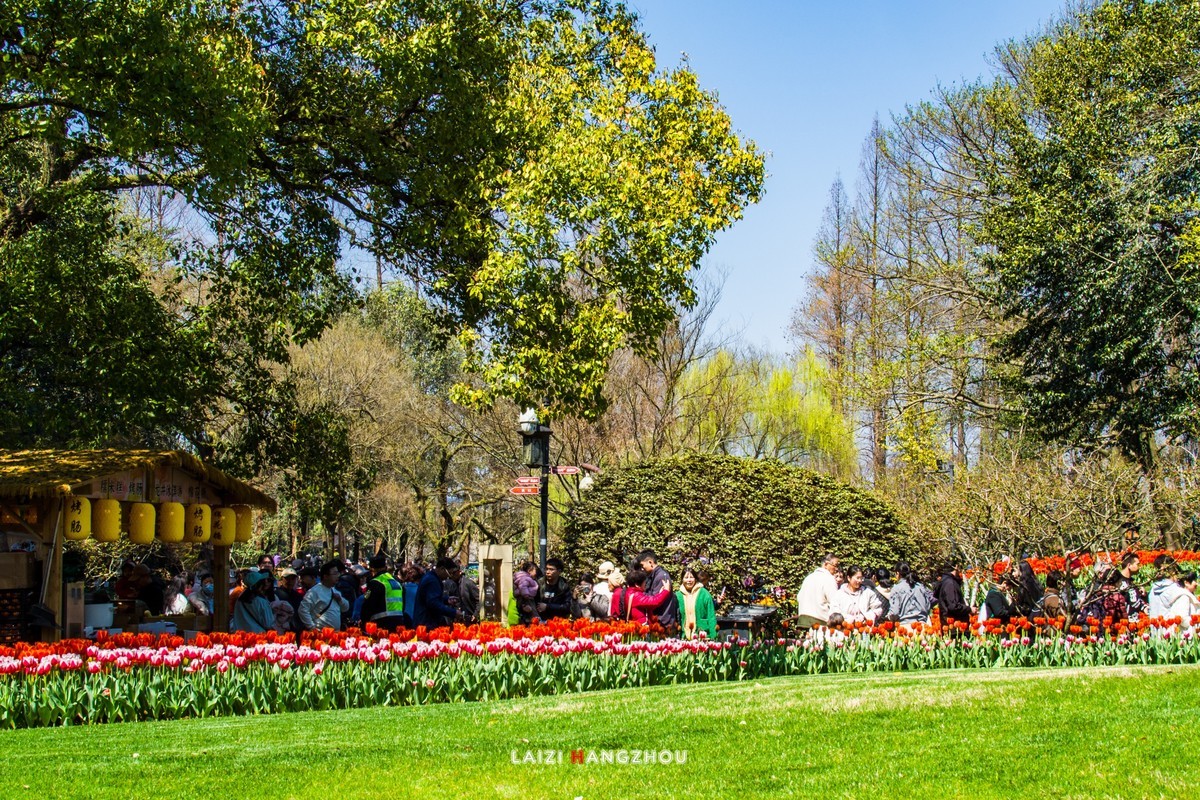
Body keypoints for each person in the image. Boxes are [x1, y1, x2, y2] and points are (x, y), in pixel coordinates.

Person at [298, 560, 350, 631]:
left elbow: (345, 608)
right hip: (320, 634)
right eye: (334, 573)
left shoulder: (334, 590)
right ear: (325, 576)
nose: (338, 576)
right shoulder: (314, 592)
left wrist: (340, 600)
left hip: (335, 634)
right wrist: (312, 628)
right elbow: (302, 610)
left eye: (338, 573)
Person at [415, 557, 465, 629]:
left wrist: (446, 600)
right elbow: (433, 603)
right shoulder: (432, 580)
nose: (449, 576)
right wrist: (453, 612)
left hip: (426, 622)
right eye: (449, 573)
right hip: (426, 624)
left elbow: (430, 598)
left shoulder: (431, 577)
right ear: (442, 569)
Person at [360, 555, 407, 631]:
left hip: (381, 624)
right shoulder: (396, 582)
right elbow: (403, 603)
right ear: (385, 568)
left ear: (372, 569)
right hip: (399, 622)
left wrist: (363, 622)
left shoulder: (375, 582)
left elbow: (367, 605)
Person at [636, 551, 678, 629]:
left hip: (662, 622)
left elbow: (656, 600)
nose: (642, 568)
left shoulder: (661, 576)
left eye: (642, 565)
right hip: (657, 621)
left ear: (650, 562)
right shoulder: (653, 576)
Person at [796, 553, 840, 629]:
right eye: (835, 565)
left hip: (803, 620)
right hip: (820, 622)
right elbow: (835, 602)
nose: (836, 569)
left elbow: (799, 597)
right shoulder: (829, 579)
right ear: (826, 564)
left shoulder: (809, 577)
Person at [675, 566, 717, 640]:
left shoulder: (704, 594)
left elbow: (711, 617)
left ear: (695, 579)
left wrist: (713, 637)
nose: (689, 580)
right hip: (684, 637)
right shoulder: (678, 596)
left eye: (691, 577)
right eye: (686, 577)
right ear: (682, 579)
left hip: (702, 636)